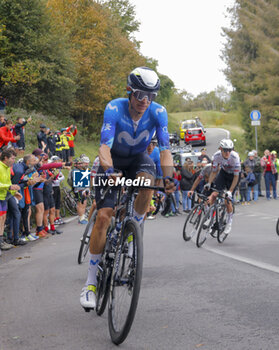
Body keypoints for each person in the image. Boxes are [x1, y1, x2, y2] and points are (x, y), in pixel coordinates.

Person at [80, 67, 174, 310]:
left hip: (137, 160)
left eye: (150, 96)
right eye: (141, 94)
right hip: (113, 159)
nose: (145, 101)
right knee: (103, 216)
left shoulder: (159, 112)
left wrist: (170, 177)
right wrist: (109, 171)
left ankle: (133, 227)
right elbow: (104, 146)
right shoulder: (114, 108)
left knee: (148, 184)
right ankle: (90, 283)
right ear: (130, 92)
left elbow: (164, 150)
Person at [204, 139, 241, 234]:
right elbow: (214, 171)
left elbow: (236, 177)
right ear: (221, 149)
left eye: (230, 150)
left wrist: (230, 191)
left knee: (226, 199)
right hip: (223, 173)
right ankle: (210, 218)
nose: (228, 152)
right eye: (225, 150)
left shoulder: (235, 157)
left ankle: (229, 222)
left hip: (234, 177)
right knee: (213, 194)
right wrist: (209, 182)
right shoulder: (216, 156)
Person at [0, 148, 21, 252]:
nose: (14, 160)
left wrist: (14, 192)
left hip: (4, 196)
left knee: (3, 218)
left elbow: (9, 183)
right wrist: (9, 187)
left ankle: (1, 241)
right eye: (12, 158)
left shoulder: (8, 168)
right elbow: (7, 185)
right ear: (5, 158)